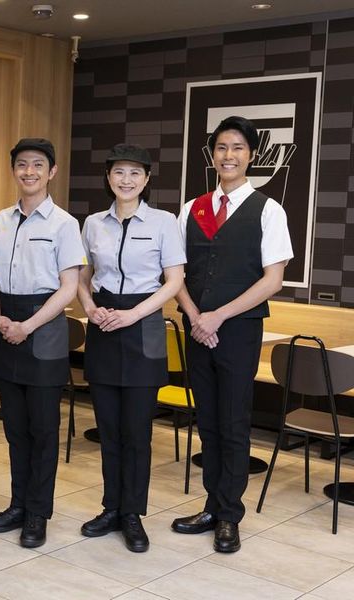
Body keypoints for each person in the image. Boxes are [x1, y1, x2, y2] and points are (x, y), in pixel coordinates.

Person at [172, 116, 292, 553]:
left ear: (251, 155)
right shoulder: (192, 208)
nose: (229, 155)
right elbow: (176, 273)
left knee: (234, 422)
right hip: (197, 329)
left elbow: (272, 279)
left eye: (238, 148)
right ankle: (211, 505)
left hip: (239, 331)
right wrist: (195, 317)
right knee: (207, 421)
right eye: (222, 147)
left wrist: (217, 316)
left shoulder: (269, 210)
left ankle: (229, 515)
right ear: (212, 154)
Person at [77, 144, 185, 552]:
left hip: (144, 324)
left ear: (146, 179)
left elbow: (174, 281)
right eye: (119, 172)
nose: (126, 180)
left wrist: (134, 314)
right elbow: (83, 276)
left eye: (134, 173)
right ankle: (111, 508)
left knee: (137, 431)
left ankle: (133, 514)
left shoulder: (164, 222)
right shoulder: (93, 223)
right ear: (108, 178)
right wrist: (90, 308)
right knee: (108, 429)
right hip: (104, 324)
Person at [0, 138, 85, 548]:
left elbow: (69, 288)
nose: (29, 171)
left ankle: (38, 513)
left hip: (44, 328)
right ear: (14, 170)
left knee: (43, 429)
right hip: (8, 325)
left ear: (51, 171)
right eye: (22, 164)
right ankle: (18, 504)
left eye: (38, 164)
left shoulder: (64, 223)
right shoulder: (0, 220)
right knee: (15, 427)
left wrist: (28, 325)